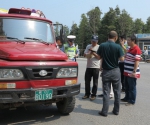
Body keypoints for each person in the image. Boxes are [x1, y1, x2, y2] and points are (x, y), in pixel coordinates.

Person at [93, 31, 124, 117]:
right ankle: (116, 110)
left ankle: (104, 111)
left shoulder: (102, 45)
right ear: (116, 37)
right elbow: (122, 59)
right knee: (117, 92)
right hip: (116, 71)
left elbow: (99, 57)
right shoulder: (118, 46)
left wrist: (93, 53)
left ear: (108, 36)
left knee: (106, 92)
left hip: (106, 71)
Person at [121, 35, 141, 106]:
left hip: (131, 72)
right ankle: (127, 97)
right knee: (126, 86)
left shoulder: (137, 49)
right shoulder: (129, 48)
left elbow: (136, 62)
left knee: (132, 87)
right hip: (126, 71)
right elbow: (125, 55)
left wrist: (134, 71)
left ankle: (131, 100)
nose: (128, 42)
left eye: (129, 40)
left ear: (133, 41)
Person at [82, 35, 100, 101]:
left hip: (96, 67)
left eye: (95, 42)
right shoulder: (88, 46)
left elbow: (99, 57)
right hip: (89, 66)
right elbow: (84, 54)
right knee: (87, 81)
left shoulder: (99, 47)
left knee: (95, 82)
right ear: (91, 40)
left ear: (97, 41)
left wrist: (93, 53)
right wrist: (89, 53)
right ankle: (87, 93)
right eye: (92, 41)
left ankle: (93, 94)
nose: (93, 43)